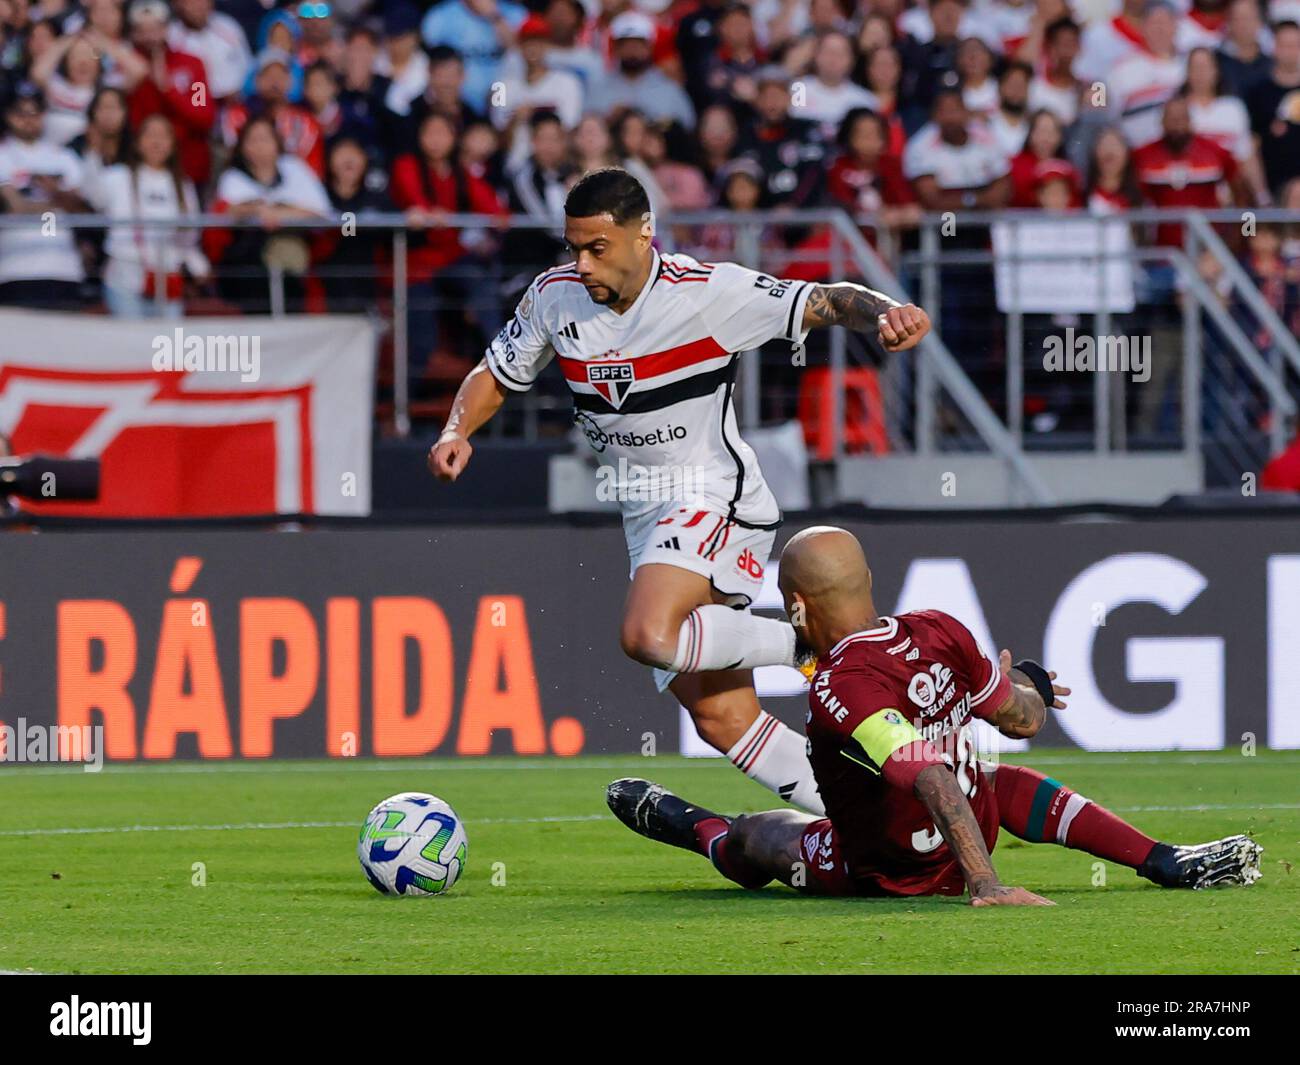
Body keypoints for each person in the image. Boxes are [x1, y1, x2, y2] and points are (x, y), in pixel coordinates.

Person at [428, 168, 931, 812]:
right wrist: (456, 429)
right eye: (573, 247)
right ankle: (869, 814)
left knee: (646, 633)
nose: (581, 264)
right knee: (721, 717)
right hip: (642, 513)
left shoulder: (708, 292)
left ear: (645, 236)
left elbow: (823, 299)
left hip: (711, 491)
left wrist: (887, 312)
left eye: (597, 248)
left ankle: (810, 643)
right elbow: (496, 373)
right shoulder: (554, 298)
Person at [607, 526, 1264, 901]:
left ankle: (709, 832)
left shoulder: (839, 685)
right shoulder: (939, 627)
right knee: (998, 778)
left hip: (894, 871)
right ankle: (1161, 857)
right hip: (974, 818)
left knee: (763, 838)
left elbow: (929, 778)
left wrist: (986, 883)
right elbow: (1023, 718)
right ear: (867, 583)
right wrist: (1026, 682)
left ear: (798, 605)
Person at [100, 112, 208, 317]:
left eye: (163, 136)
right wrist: (98, 148)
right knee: (131, 344)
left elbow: (191, 235)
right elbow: (91, 195)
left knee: (166, 345)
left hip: (167, 277)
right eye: (150, 135)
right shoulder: (117, 176)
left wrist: (196, 264)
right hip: (126, 276)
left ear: (172, 144)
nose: (156, 142)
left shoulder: (183, 184)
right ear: (138, 142)